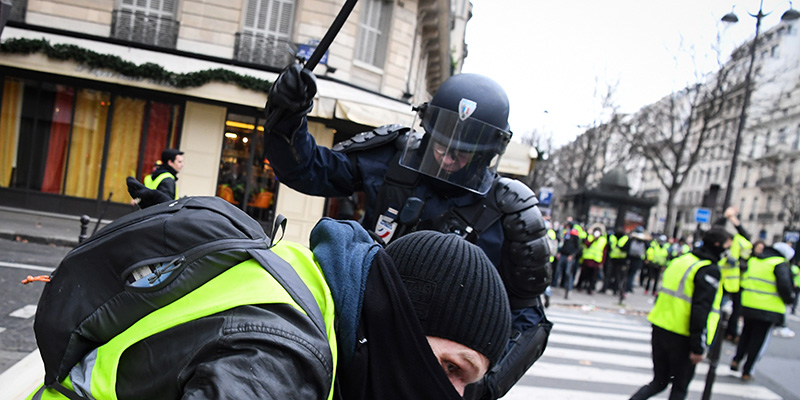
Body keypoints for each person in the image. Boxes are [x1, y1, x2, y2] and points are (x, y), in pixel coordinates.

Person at [31, 184, 513, 399]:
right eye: (451, 369)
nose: (451, 395)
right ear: (403, 321)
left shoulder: (313, 286)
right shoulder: (284, 362)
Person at [261, 64, 553, 400]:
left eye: (463, 149)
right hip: (365, 342)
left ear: (487, 152)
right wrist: (287, 115)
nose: (447, 154)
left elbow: (531, 319)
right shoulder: (394, 157)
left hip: (437, 370)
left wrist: (478, 384)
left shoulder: (510, 211)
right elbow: (307, 169)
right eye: (441, 140)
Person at [629, 228, 732, 400]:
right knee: (679, 388)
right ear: (717, 244)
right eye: (727, 245)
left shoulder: (682, 260)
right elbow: (700, 309)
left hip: (661, 326)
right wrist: (698, 346)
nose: (728, 250)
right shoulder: (708, 269)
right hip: (682, 336)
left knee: (659, 381)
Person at [730, 241, 796, 381]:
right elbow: (784, 286)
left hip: (748, 303)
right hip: (768, 308)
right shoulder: (778, 263)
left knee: (745, 335)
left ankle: (736, 359)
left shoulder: (755, 260)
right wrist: (790, 298)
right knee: (758, 340)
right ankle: (747, 370)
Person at [577, 223, 607, 295]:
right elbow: (586, 244)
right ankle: (580, 286)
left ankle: (590, 288)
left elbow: (604, 252)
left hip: (596, 260)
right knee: (583, 274)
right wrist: (593, 239)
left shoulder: (603, 240)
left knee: (593, 277)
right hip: (587, 259)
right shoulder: (590, 237)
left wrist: (602, 262)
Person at [554, 227, 581, 299]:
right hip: (563, 255)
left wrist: (572, 255)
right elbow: (562, 245)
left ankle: (568, 289)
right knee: (558, 271)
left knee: (568, 273)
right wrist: (560, 252)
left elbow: (577, 248)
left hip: (569, 258)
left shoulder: (575, 238)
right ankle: (556, 285)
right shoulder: (567, 236)